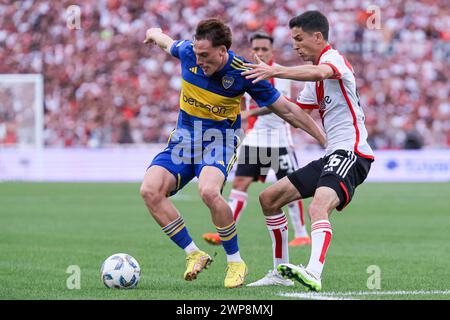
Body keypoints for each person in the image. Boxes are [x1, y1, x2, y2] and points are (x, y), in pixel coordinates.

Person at [140, 18, 326, 288]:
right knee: (149, 190)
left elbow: (287, 109)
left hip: (219, 140)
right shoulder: (188, 52)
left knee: (208, 191)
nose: (200, 59)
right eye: (197, 53)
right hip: (184, 140)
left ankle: (235, 261)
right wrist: (152, 31)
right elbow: (165, 41)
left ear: (222, 51)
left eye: (206, 55)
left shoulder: (243, 72)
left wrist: (321, 137)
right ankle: (194, 254)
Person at [241, 11, 374, 291]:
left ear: (318, 37)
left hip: (352, 153)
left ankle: (313, 272)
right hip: (333, 155)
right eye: (293, 41)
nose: (295, 47)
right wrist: (249, 111)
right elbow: (292, 110)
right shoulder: (315, 81)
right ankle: (279, 270)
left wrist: (275, 70)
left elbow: (319, 71)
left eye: (299, 40)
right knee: (269, 198)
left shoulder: (332, 60)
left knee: (317, 207)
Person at [202, 31, 311, 287]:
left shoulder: (276, 73)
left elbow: (276, 103)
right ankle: (226, 232)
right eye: (257, 49)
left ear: (271, 52)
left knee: (290, 190)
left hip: (279, 140)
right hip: (256, 139)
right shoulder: (247, 70)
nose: (260, 53)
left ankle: (302, 234)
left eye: (264, 49)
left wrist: (248, 112)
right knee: (239, 184)